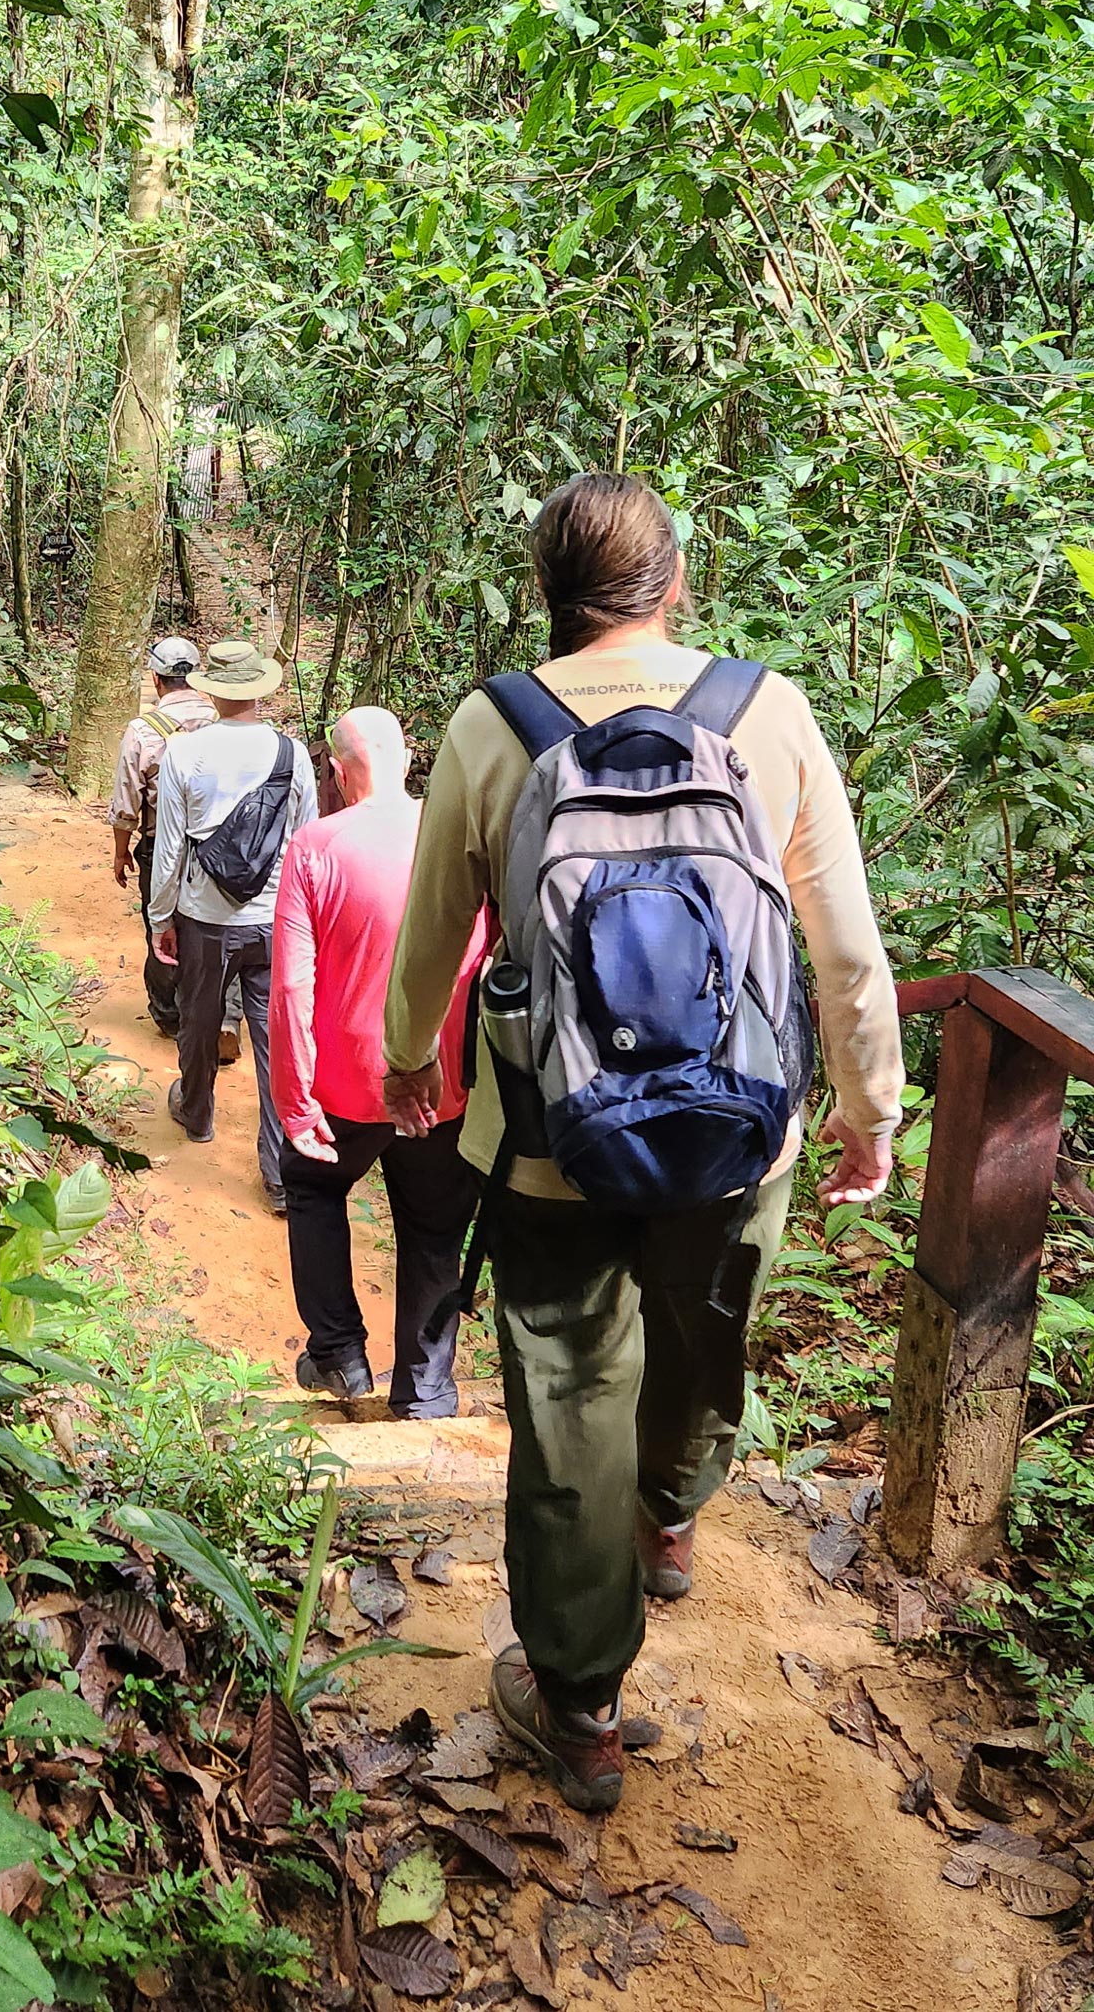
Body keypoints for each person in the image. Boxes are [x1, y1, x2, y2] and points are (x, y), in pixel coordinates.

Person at [383, 473, 901, 1815]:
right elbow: (840, 945)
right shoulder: (766, 710)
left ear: (547, 599)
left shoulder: (496, 724)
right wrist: (868, 1106)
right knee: (702, 1332)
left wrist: (405, 1061)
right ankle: (673, 1511)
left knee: (565, 1400)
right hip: (736, 1135)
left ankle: (584, 1707)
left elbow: (434, 930)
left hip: (551, 1138)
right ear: (677, 582)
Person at [271, 708, 489, 1416]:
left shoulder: (315, 847)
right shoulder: (456, 837)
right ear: (409, 759)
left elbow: (291, 986)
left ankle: (339, 1355)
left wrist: (295, 1102)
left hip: (347, 1083)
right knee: (432, 1231)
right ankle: (425, 1393)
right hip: (443, 1081)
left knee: (311, 1187)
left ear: (336, 772)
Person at [149, 637, 318, 1214]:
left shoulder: (184, 754)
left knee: (197, 1022)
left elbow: (169, 847)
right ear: (258, 689)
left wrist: (160, 918)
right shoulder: (293, 755)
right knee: (277, 1046)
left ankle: (196, 1113)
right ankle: (278, 1175)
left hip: (205, 920)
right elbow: (305, 843)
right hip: (276, 922)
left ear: (209, 690)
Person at [109, 637, 223, 1041]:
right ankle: (218, 1013)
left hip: (159, 844)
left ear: (155, 679)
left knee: (161, 923)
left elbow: (127, 799)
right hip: (217, 845)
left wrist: (121, 853)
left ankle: (168, 1014)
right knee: (213, 925)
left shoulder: (144, 729)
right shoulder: (222, 721)